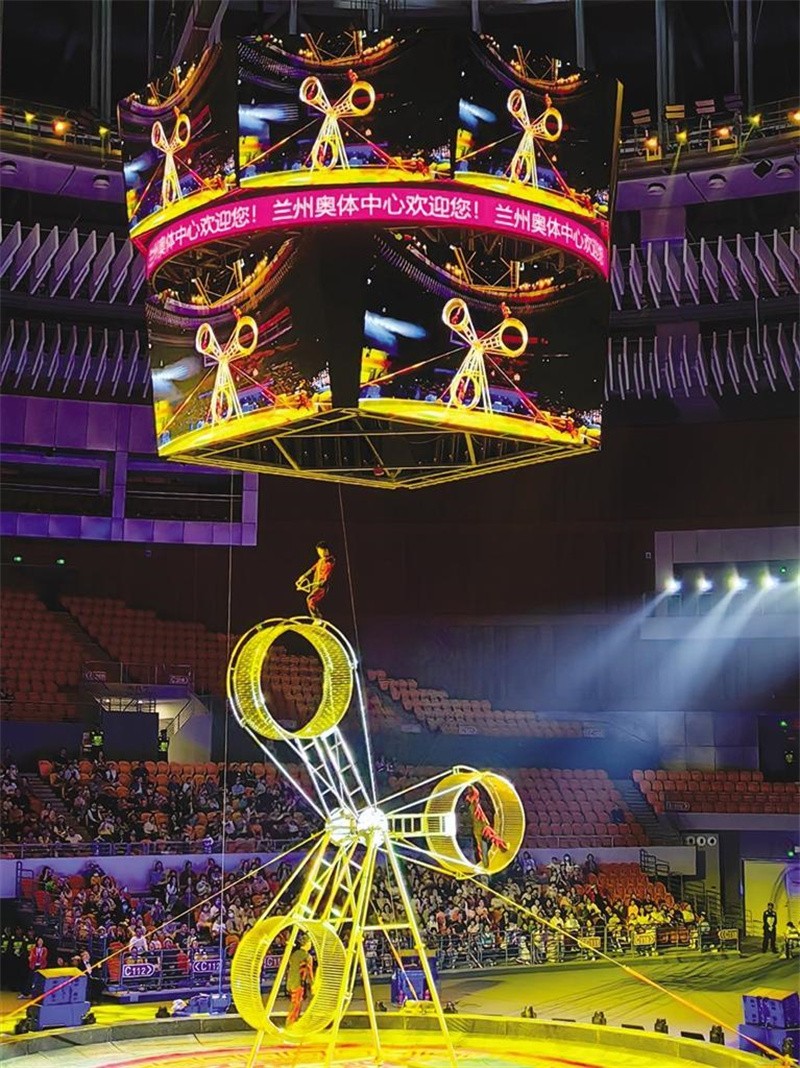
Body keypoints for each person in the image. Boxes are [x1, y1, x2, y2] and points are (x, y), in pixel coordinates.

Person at [295, 542, 335, 620]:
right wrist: (303, 576)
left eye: (321, 551)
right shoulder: (320, 561)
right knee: (312, 601)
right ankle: (317, 617)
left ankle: (317, 618)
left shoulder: (329, 561)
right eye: (318, 552)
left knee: (310, 599)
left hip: (321, 586)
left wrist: (323, 582)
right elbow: (312, 569)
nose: (320, 553)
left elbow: (327, 573)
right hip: (316, 585)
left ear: (326, 550)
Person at [286, 935, 314, 1025]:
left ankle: (291, 1021)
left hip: (291, 980)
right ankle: (291, 1022)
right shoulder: (307, 956)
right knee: (296, 1003)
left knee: (295, 1001)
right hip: (298, 982)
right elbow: (309, 971)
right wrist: (312, 984)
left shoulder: (294, 954)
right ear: (307, 944)